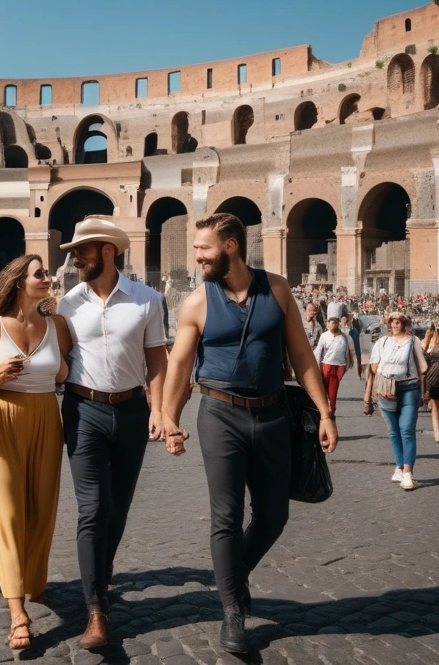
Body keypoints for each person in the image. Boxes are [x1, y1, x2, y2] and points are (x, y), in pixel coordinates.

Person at [161, 213, 338, 656]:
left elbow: (301, 354)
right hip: (219, 414)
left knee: (274, 516)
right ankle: (233, 611)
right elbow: (180, 365)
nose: (197, 256)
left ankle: (229, 579)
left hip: (274, 413)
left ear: (232, 247)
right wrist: (168, 415)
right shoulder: (196, 303)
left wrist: (325, 412)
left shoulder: (276, 289)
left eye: (204, 249)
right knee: (226, 516)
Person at [56, 217, 168, 650]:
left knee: (118, 508)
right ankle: (96, 611)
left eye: (81, 249)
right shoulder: (66, 304)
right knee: (92, 508)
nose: (74, 257)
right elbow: (59, 357)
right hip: (82, 410)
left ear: (107, 250)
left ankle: (101, 580)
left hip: (133, 413)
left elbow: (157, 359)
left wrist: (160, 409)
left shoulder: (147, 300)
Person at [0, 255, 71, 650]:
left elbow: (64, 372)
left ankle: (34, 582)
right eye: (39, 273)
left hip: (46, 417)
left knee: (41, 508)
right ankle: (17, 612)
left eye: (46, 273)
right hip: (1, 421)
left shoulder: (56, 325)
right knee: (6, 514)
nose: (47, 278)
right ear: (17, 283)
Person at [364, 311, 428, 490]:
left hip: (409, 387)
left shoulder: (413, 340)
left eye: (398, 321)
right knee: (393, 431)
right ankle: (399, 466)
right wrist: (371, 392)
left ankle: (408, 472)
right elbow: (374, 368)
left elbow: (423, 366)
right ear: (388, 324)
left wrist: (425, 389)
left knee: (406, 430)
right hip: (386, 389)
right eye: (392, 321)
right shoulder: (382, 342)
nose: (394, 324)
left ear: (404, 323)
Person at [313, 317, 357, 418]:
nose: (333, 325)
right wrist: (317, 367)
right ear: (328, 325)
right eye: (331, 323)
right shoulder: (324, 336)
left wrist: (353, 363)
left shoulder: (345, 337)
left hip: (339, 367)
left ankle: (331, 412)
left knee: (333, 392)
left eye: (335, 323)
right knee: (323, 391)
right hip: (326, 365)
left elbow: (352, 351)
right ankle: (322, 413)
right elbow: (319, 351)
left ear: (338, 324)